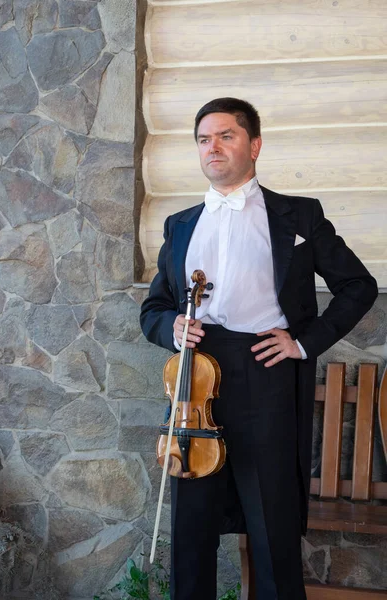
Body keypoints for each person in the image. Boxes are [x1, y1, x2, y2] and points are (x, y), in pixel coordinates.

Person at [140, 98, 378, 600]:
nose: (214, 147)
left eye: (226, 135)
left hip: (264, 369)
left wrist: (304, 343)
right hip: (195, 378)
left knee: (271, 516)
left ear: (255, 145)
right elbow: (154, 307)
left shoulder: (298, 215)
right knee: (192, 520)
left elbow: (358, 284)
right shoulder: (180, 224)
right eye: (204, 139)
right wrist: (174, 326)